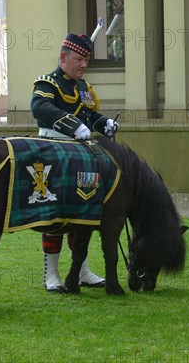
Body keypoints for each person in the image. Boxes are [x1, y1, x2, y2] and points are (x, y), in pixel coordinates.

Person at [31, 33, 119, 292]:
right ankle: (51, 274)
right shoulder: (48, 83)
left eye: (86, 60)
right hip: (53, 152)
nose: (83, 65)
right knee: (55, 214)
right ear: (63, 58)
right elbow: (40, 108)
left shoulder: (83, 87)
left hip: (80, 155)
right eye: (78, 59)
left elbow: (89, 114)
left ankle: (81, 270)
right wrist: (73, 125)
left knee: (83, 209)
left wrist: (104, 123)